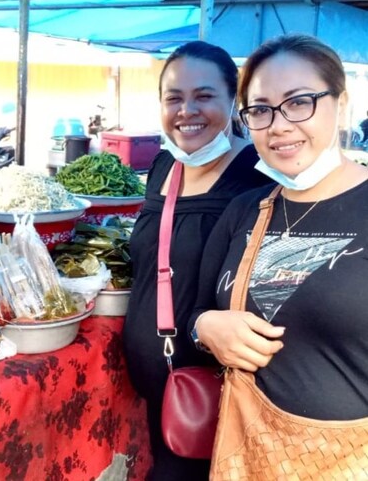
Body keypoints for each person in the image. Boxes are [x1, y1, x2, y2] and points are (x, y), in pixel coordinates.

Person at [191, 35, 368, 472]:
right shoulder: (244, 211)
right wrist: (204, 327)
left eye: (299, 102)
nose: (279, 125)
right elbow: (194, 311)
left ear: (341, 106)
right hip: (250, 454)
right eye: (261, 109)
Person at [122, 41, 272, 480]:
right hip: (158, 387)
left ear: (233, 101)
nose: (187, 110)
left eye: (204, 96)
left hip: (215, 392)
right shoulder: (163, 166)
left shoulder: (257, 175)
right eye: (174, 98)